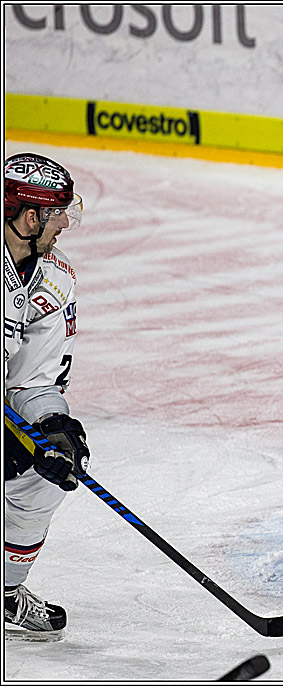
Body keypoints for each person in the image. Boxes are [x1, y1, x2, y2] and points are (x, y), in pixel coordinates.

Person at [4, 153, 90, 642]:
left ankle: (5, 593)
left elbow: (31, 381)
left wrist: (55, 429)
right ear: (30, 216)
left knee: (45, 474)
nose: (65, 224)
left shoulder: (54, 281)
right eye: (58, 213)